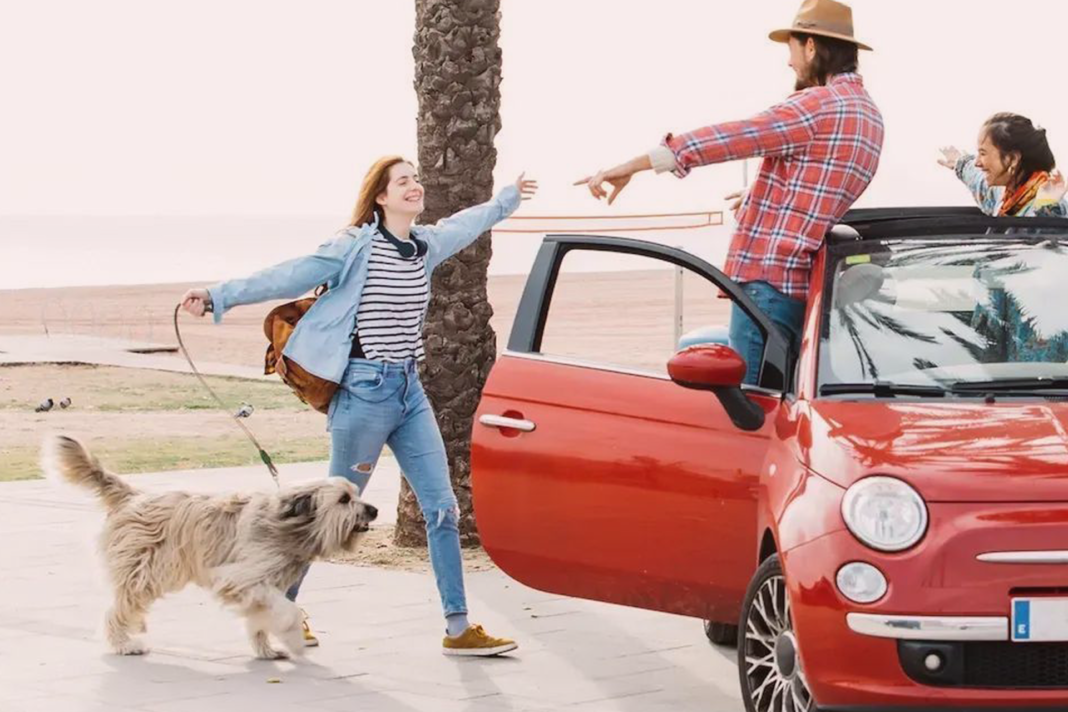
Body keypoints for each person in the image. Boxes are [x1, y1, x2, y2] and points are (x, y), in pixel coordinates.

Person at [181, 156, 537, 656]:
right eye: (403, 181)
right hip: (363, 395)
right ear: (381, 197)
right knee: (325, 515)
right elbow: (291, 275)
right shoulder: (355, 247)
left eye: (416, 178)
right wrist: (219, 295)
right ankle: (283, 612)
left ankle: (458, 629)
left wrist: (507, 200)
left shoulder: (424, 246)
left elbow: (464, 225)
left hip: (410, 394)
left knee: (443, 510)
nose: (415, 186)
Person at [575, 0, 884, 385]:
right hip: (805, 287)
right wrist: (759, 197)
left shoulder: (817, 107)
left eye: (791, 51)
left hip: (768, 285)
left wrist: (633, 166)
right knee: (782, 409)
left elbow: (732, 137)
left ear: (810, 46)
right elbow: (819, 189)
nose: (789, 64)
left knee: (749, 415)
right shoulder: (870, 117)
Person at [938, 113, 1068, 217]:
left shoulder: (1048, 204)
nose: (977, 163)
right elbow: (979, 182)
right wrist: (960, 163)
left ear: (1012, 158)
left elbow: (1048, 237)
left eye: (983, 153)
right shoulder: (1003, 194)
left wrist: (1047, 205)